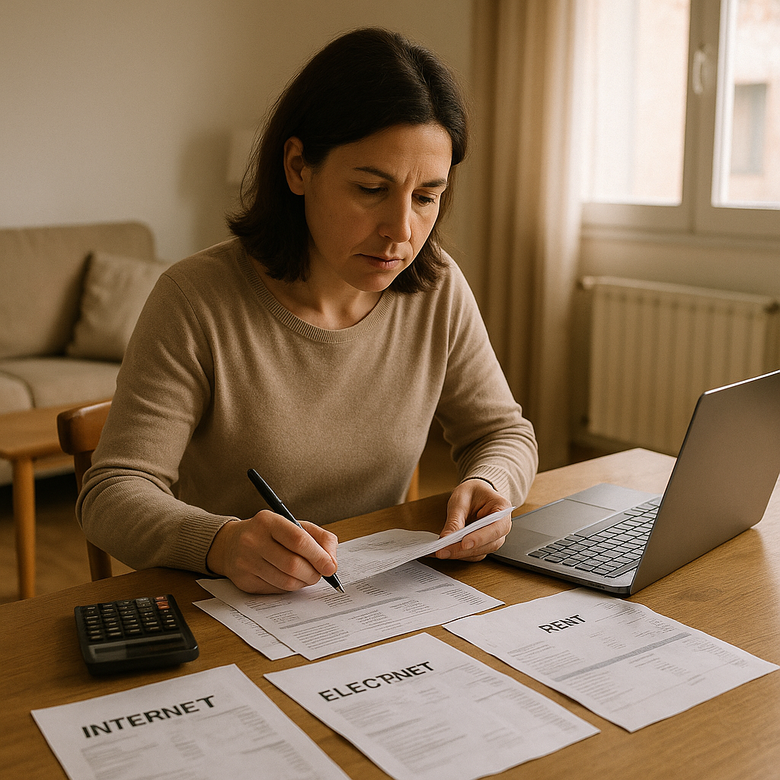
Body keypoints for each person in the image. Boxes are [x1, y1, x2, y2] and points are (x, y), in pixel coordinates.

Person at [78, 27, 538, 594]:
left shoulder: (434, 287)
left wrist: (491, 486)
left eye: (425, 197)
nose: (402, 232)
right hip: (222, 606)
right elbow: (112, 492)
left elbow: (503, 433)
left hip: (368, 602)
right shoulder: (195, 299)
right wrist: (220, 543)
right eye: (371, 188)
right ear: (298, 167)